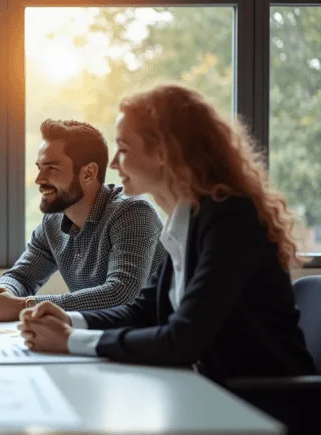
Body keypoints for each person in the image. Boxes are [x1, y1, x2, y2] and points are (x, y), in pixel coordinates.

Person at [19, 84, 316, 382]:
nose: (113, 164)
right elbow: (144, 312)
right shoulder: (184, 218)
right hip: (210, 390)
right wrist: (68, 320)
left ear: (162, 152)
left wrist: (70, 340)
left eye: (123, 149)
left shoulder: (231, 219)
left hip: (267, 403)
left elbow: (183, 341)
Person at [0, 120, 165, 321]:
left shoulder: (133, 212)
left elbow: (121, 294)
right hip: (98, 335)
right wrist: (0, 293)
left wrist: (25, 306)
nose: (39, 179)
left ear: (88, 173)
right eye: (39, 168)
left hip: (154, 340)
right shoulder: (52, 222)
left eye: (51, 169)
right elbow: (22, 276)